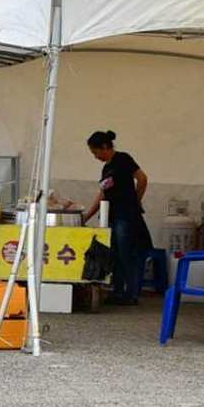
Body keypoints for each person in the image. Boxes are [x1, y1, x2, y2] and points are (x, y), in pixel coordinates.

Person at [82, 129, 152, 305]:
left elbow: (142, 179)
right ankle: (118, 291)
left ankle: (132, 293)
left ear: (105, 147)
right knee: (115, 254)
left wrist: (136, 201)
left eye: (95, 152)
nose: (95, 156)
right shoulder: (106, 168)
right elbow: (103, 194)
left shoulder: (123, 159)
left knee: (127, 254)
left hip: (126, 216)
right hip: (112, 216)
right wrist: (87, 216)